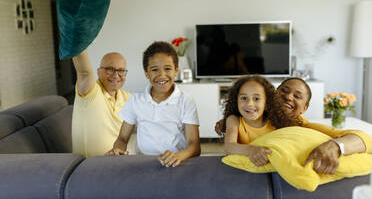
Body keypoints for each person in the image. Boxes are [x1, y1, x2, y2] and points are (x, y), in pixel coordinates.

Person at [216, 77, 372, 174]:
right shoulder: (244, 116)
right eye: (284, 91)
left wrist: (335, 146)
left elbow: (365, 139)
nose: (289, 97)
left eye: (297, 96)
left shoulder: (299, 124)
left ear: (304, 109)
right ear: (271, 96)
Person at [107, 41, 200, 167]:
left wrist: (177, 156)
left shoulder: (186, 101)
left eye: (167, 69)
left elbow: (194, 145)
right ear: (146, 73)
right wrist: (118, 150)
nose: (162, 75)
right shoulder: (135, 100)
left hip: (177, 163)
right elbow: (122, 138)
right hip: (145, 164)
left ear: (176, 71)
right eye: (155, 69)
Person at [71, 50, 131, 158]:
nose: (116, 75)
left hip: (118, 160)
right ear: (98, 72)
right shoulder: (91, 93)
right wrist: (77, 36)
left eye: (121, 71)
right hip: (90, 166)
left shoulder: (127, 97)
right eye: (110, 70)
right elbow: (84, 73)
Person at [223, 75, 277, 167]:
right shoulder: (234, 120)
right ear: (236, 101)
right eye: (244, 98)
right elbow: (229, 146)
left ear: (267, 103)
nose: (249, 103)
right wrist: (252, 149)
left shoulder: (275, 121)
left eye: (256, 99)